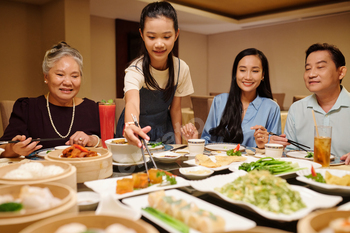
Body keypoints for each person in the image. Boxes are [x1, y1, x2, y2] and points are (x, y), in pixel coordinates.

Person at [0, 42, 101, 158]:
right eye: (60, 74)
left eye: (74, 76)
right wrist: (14, 149)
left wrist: (93, 140)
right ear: (46, 77)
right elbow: (2, 147)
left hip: (86, 173)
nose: (68, 82)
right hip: (41, 173)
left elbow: (112, 143)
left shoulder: (91, 108)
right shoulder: (27, 108)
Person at [115, 1, 194, 145]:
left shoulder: (181, 68)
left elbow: (175, 109)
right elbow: (132, 102)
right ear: (142, 34)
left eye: (166, 37)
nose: (159, 44)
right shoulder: (135, 70)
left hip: (164, 129)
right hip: (137, 130)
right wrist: (130, 125)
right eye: (152, 37)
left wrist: (178, 144)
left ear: (176, 34)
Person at [181, 48, 281, 148]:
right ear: (235, 73)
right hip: (221, 162)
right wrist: (194, 140)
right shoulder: (219, 102)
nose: (248, 76)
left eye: (255, 71)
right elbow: (208, 143)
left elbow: (276, 150)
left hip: (252, 163)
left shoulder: (271, 107)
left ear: (263, 75)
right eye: (242, 70)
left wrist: (264, 146)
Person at [270, 43, 350, 164]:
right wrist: (278, 147)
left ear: (341, 72)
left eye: (320, 67)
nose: (311, 74)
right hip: (305, 176)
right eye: (308, 68)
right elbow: (290, 153)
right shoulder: (297, 109)